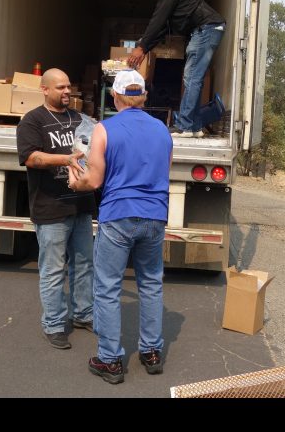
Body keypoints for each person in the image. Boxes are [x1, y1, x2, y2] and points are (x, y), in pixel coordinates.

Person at [67, 69, 173, 384]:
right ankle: (152, 352)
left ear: (115, 97)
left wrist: (75, 180)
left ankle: (110, 359)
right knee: (151, 284)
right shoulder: (163, 131)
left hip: (118, 216)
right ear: (143, 97)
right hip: (155, 216)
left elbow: (94, 180)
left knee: (108, 287)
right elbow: (164, 174)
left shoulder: (104, 129)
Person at [16, 68, 96, 350]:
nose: (66, 92)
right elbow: (31, 158)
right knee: (53, 270)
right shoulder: (32, 121)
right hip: (50, 207)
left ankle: (83, 314)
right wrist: (66, 159)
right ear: (45, 90)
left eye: (68, 87)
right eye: (60, 87)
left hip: (82, 206)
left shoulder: (81, 120)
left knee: (85, 265)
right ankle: (54, 324)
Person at [127, 0, 226, 138]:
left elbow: (158, 19)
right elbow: (163, 28)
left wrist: (141, 48)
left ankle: (185, 126)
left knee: (191, 77)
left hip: (206, 28)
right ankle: (194, 126)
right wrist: (145, 48)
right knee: (193, 78)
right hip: (205, 30)